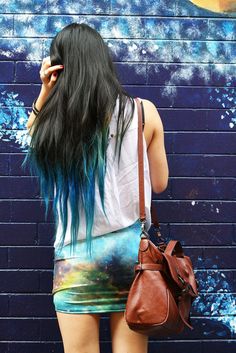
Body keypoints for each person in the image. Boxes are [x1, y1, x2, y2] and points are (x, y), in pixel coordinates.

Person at [24, 23, 169, 353]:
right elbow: (160, 183)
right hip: (131, 258)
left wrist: (44, 93)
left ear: (59, 68)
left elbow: (27, 140)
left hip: (76, 263)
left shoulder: (54, 123)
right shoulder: (144, 112)